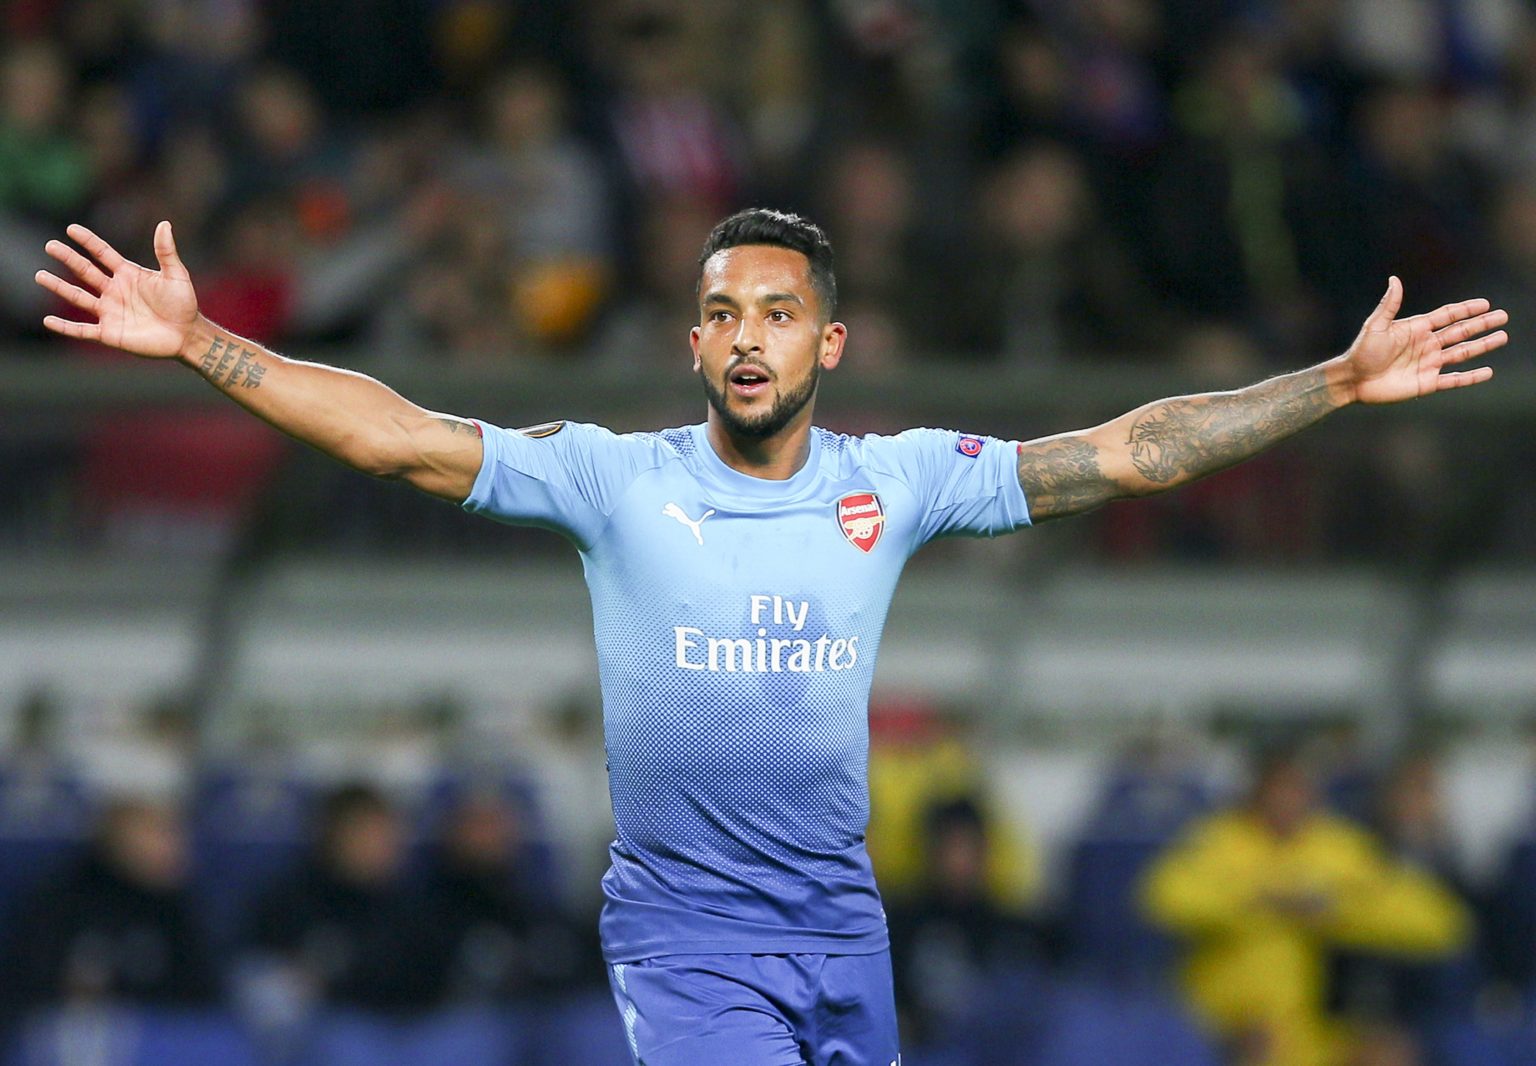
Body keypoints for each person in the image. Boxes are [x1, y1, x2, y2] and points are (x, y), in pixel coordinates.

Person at [33, 208, 1506, 1065]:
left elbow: (1131, 452)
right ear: (694, 346)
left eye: (779, 311)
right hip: (686, 934)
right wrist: (209, 344)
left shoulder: (901, 478)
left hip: (843, 923)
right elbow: (403, 439)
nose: (748, 333)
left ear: (828, 345)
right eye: (722, 311)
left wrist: (1332, 382)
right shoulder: (617, 479)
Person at [1139, 748, 1470, 1066]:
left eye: (1296, 789)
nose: (1286, 801)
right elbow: (1165, 897)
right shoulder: (1220, 841)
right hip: (1231, 1024)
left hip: (1325, 1030)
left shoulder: (1336, 847)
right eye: (1277, 789)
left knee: (1386, 1051)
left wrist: (1333, 910)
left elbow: (1437, 920)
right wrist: (1258, 903)